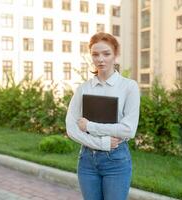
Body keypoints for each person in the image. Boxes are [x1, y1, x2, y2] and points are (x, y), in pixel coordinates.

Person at [65, 32, 140, 200]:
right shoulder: (84, 88)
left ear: (115, 55)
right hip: (87, 161)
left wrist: (90, 126)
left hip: (116, 161)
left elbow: (128, 130)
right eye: (95, 54)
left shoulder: (129, 87)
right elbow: (71, 128)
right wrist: (102, 142)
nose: (101, 59)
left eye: (106, 54)